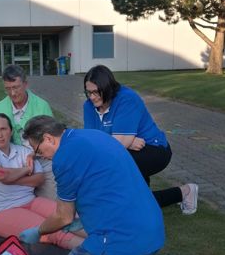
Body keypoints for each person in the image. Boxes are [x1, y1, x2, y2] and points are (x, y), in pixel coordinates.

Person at [21, 116, 193, 255]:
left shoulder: (63, 158)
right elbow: (105, 186)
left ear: (48, 138)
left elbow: (62, 216)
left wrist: (39, 231)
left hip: (123, 238)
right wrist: (84, 220)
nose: (39, 156)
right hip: (150, 228)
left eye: (37, 150)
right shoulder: (91, 135)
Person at [83, 65, 198, 213]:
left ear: (107, 88)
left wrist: (124, 142)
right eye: (88, 92)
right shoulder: (89, 106)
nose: (92, 97)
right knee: (135, 203)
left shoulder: (126, 98)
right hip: (129, 151)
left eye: (96, 92)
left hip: (153, 150)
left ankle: (185, 192)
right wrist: (127, 142)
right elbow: (93, 141)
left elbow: (114, 145)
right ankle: (185, 192)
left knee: (110, 175)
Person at [0, 113, 83, 250]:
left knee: (70, 217)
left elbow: (39, 179)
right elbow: (1, 175)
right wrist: (26, 169)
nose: (0, 134)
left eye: (3, 129)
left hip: (30, 200)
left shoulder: (22, 151)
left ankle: (109, 239)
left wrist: (10, 178)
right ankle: (98, 253)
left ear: (11, 131)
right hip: (0, 209)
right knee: (51, 231)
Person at [0, 64, 56, 199]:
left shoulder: (41, 106)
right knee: (14, 199)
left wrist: (33, 155)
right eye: (8, 89)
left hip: (41, 159)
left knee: (51, 202)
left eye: (16, 87)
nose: (12, 93)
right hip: (13, 162)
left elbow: (53, 141)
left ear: (26, 84)